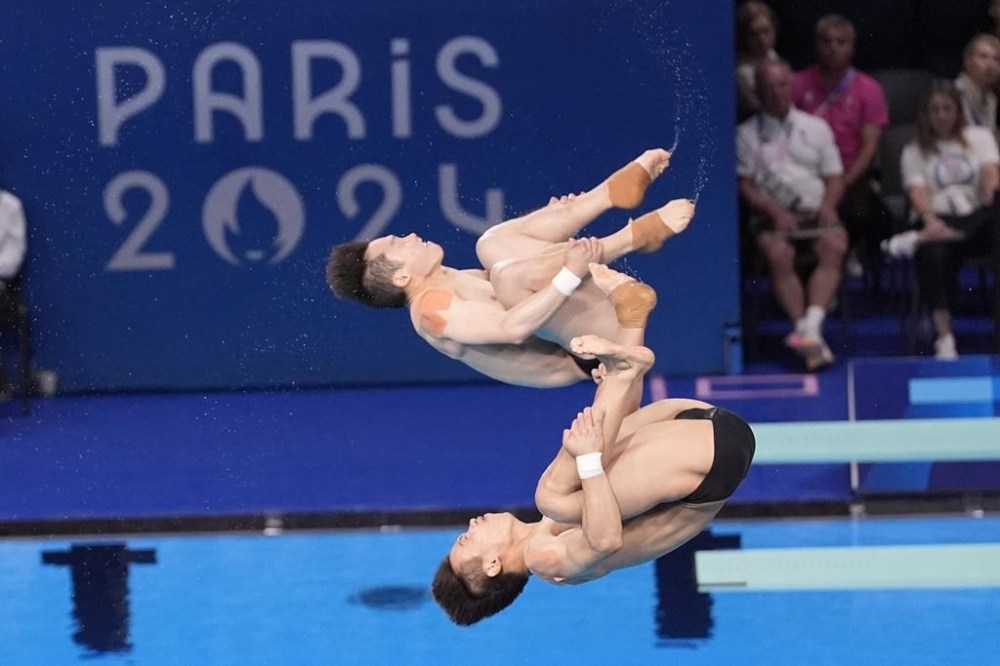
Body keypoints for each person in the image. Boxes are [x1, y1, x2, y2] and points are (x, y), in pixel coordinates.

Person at [430, 331, 756, 626]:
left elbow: (617, 452)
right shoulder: (549, 560)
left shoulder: (550, 526)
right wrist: (587, 459)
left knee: (574, 481)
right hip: (713, 460)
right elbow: (605, 540)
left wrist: (610, 398)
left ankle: (624, 359)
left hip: (699, 431)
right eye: (467, 539)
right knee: (554, 496)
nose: (472, 524)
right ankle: (623, 372)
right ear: (492, 565)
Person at [326, 149, 695, 387]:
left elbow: (530, 272)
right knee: (507, 275)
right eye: (398, 244)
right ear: (402, 277)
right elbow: (513, 327)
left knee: (491, 244)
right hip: (591, 354)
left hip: (578, 316)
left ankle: (607, 195)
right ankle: (629, 238)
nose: (409, 235)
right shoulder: (431, 313)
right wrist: (570, 269)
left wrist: (552, 226)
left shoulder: (457, 278)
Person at [738, 59, 846, 370]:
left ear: (792, 86)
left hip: (815, 212)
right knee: (778, 253)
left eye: (782, 84)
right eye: (769, 86)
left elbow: (835, 176)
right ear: (758, 91)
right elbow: (745, 184)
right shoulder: (745, 135)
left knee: (835, 245)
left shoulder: (816, 127)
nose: (777, 92)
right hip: (773, 217)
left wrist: (828, 206)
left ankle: (808, 328)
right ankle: (804, 330)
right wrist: (773, 210)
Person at [880, 82, 1000, 359]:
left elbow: (990, 172)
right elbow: (918, 193)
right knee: (933, 254)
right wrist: (930, 221)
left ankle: (922, 238)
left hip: (977, 218)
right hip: (938, 218)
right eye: (935, 110)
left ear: (958, 112)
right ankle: (944, 337)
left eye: (947, 109)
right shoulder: (913, 151)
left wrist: (989, 191)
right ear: (925, 115)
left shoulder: (979, 137)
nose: (942, 116)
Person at [793, 13, 891, 279]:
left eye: (840, 41)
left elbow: (870, 147)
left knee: (863, 213)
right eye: (827, 41)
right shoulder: (797, 85)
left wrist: (842, 183)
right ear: (816, 45)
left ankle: (843, 258)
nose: (833, 47)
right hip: (805, 176)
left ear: (851, 48)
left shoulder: (868, 89)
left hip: (851, 177)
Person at [736, 0, 780, 122]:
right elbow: (765, 109)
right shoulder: (742, 72)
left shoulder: (773, 55)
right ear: (745, 36)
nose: (762, 40)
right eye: (754, 34)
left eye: (766, 31)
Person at [955, 34, 1000, 137]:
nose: (990, 65)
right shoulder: (955, 93)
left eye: (996, 59)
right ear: (967, 61)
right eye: (983, 57)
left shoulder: (991, 99)